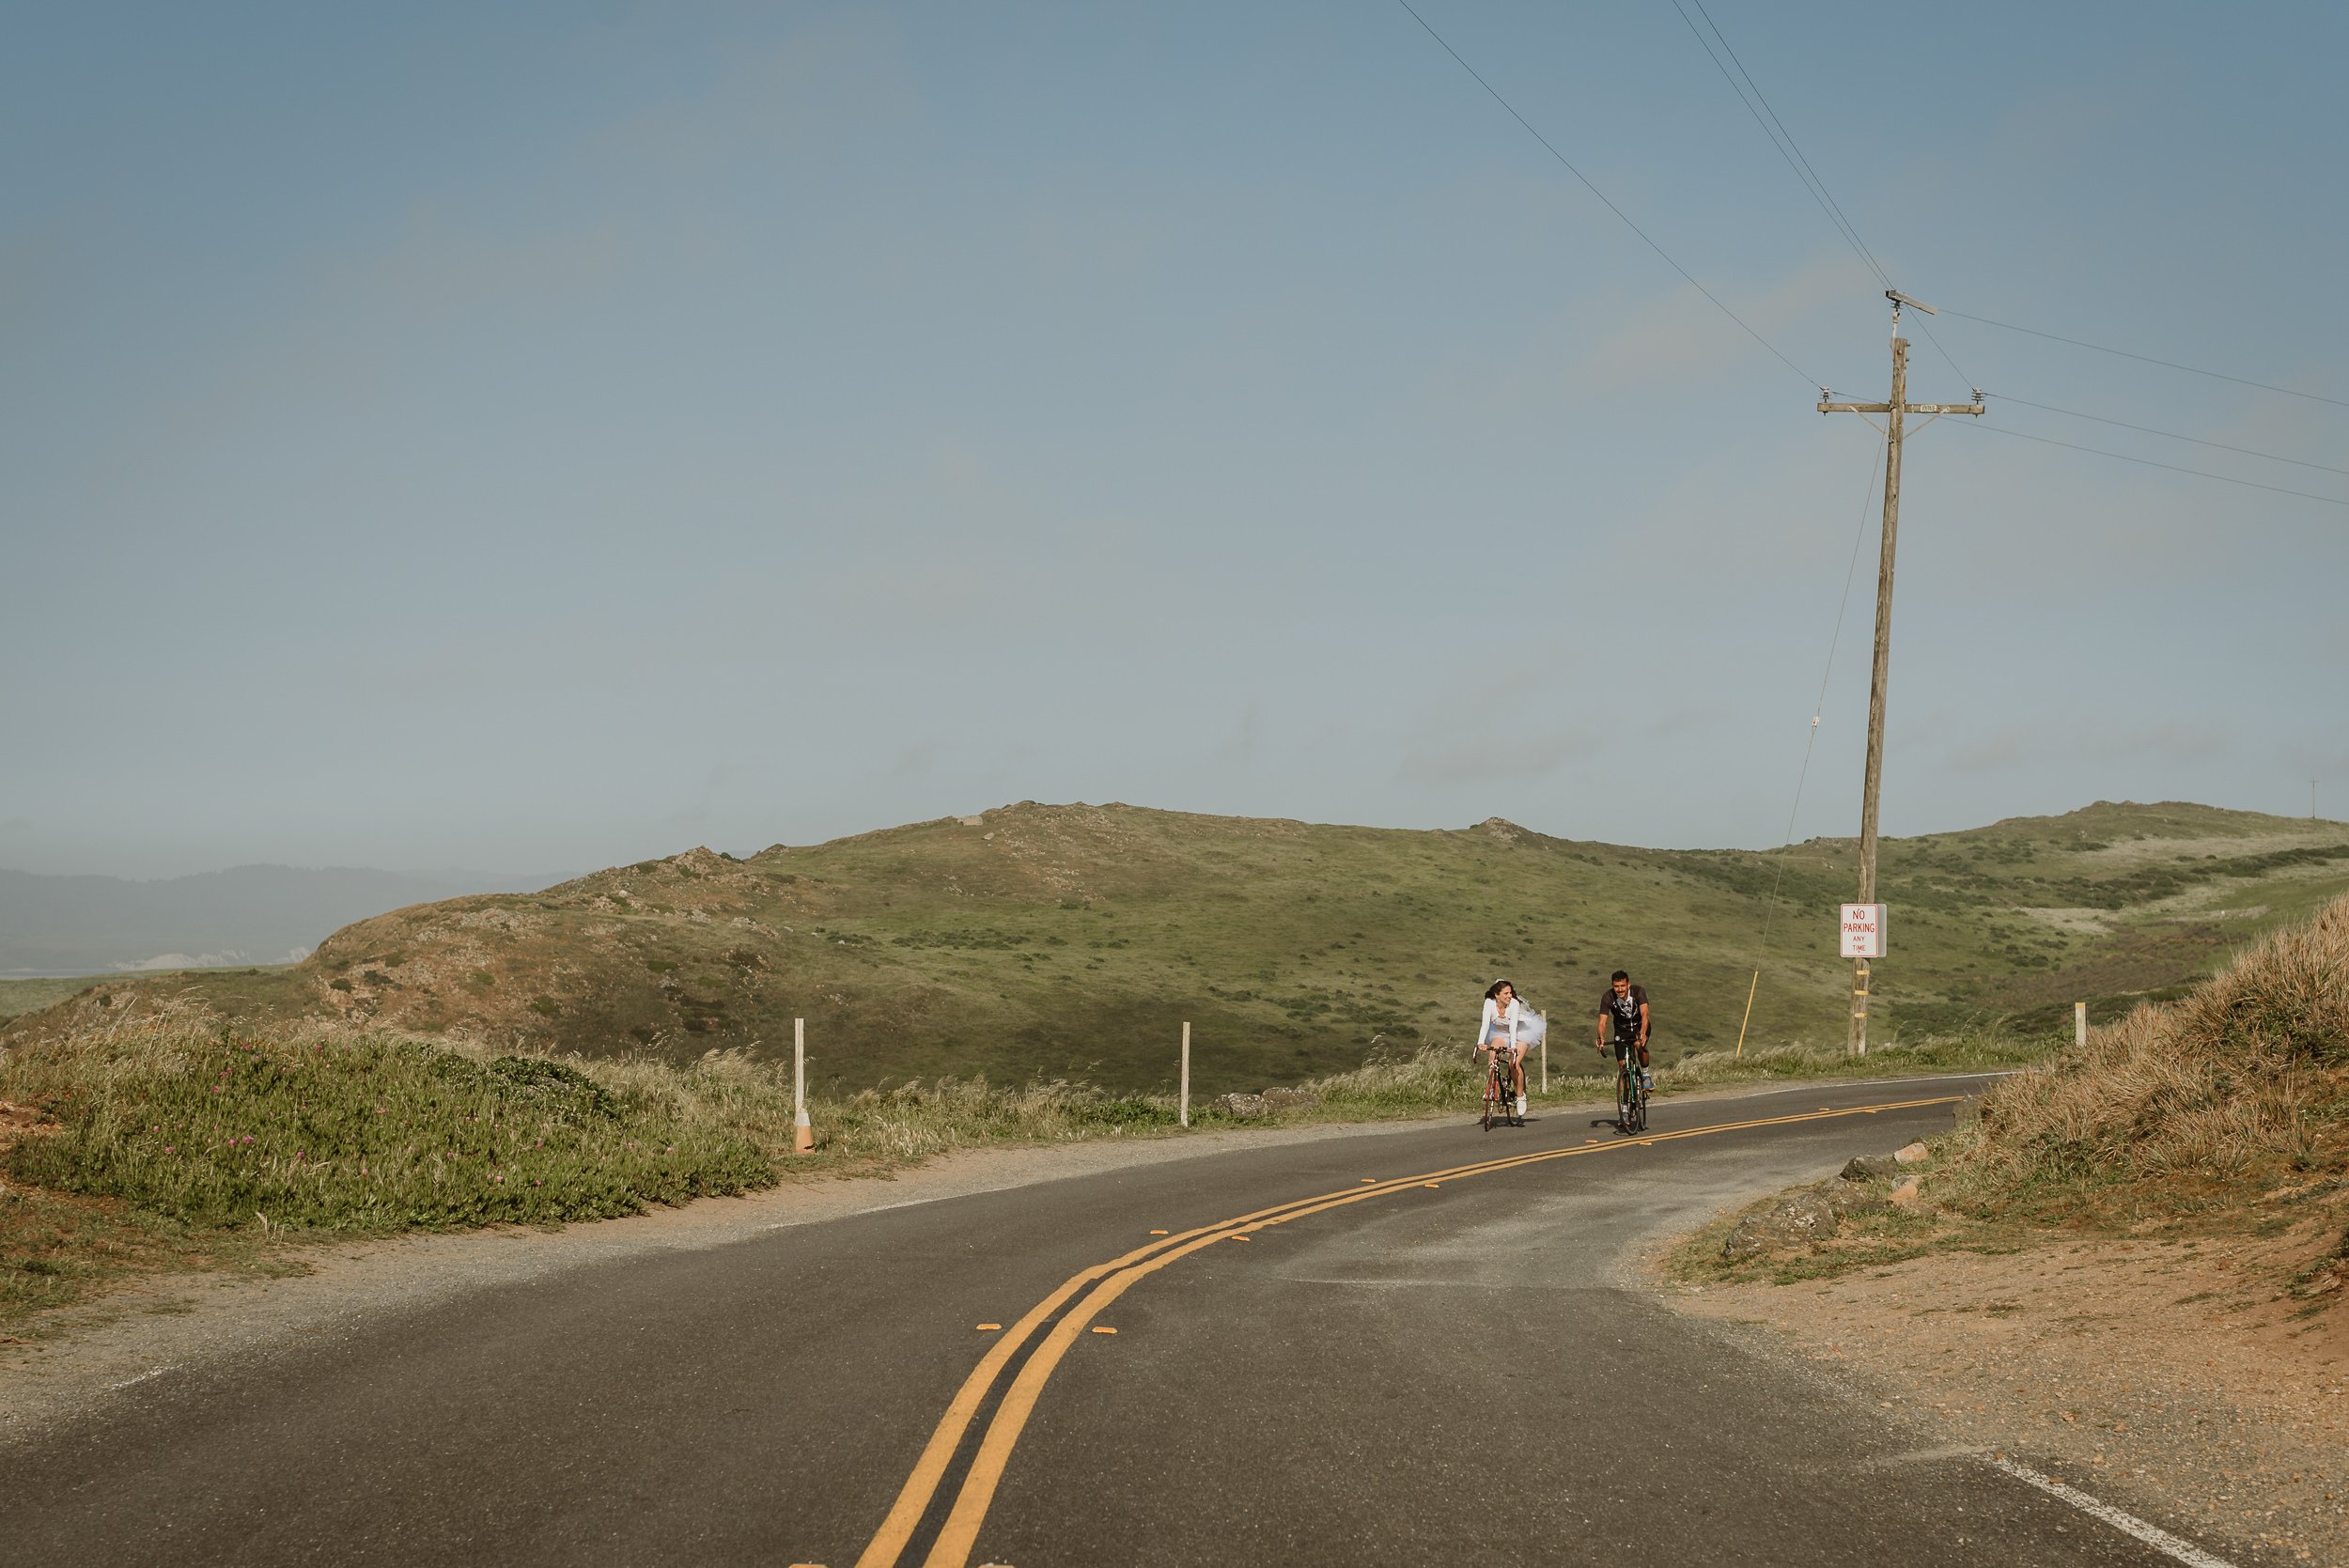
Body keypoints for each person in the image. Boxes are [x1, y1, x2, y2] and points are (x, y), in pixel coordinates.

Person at [1474, 978, 1532, 1119]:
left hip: (1519, 1032)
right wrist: (1480, 1042)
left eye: (1510, 993)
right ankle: (1492, 1089)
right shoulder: (1489, 1003)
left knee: (1514, 1063)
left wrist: (1512, 1048)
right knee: (1493, 1056)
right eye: (1505, 993)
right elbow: (1485, 1024)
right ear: (1496, 994)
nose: (1509, 996)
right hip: (1499, 1031)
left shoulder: (1514, 1005)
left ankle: (1520, 1096)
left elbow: (1513, 1028)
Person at [1595, 970, 1652, 1091]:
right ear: (1613, 986)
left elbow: (1645, 1015)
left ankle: (1646, 1075)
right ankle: (1625, 1104)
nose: (1620, 989)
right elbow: (1602, 1022)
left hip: (1639, 1026)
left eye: (1622, 986)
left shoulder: (1638, 992)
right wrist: (1601, 1037)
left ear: (1628, 985)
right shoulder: (1607, 997)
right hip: (1622, 1030)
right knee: (1622, 1066)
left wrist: (1642, 1033)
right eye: (1616, 986)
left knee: (1638, 1044)